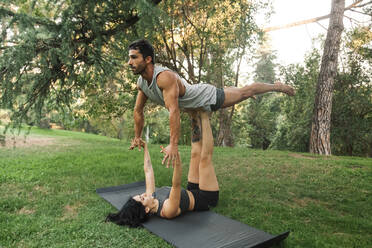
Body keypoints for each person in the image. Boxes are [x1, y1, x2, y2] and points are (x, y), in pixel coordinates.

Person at [128, 39, 295, 167]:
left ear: (148, 59)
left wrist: (173, 145)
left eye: (134, 57)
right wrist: (137, 136)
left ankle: (276, 87)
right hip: (195, 103)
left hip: (205, 97)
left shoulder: (164, 77)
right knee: (241, 92)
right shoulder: (142, 83)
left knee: (246, 92)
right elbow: (138, 111)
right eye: (129, 58)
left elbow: (174, 111)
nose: (130, 62)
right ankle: (231, 89)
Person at [106, 111, 219, 227]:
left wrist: (145, 147)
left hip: (192, 190)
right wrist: (176, 159)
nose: (144, 194)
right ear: (146, 210)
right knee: (205, 158)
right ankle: (204, 113)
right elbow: (176, 184)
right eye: (142, 198)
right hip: (205, 198)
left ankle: (195, 114)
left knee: (195, 153)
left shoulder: (151, 196)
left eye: (140, 195)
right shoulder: (167, 210)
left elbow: (148, 170)